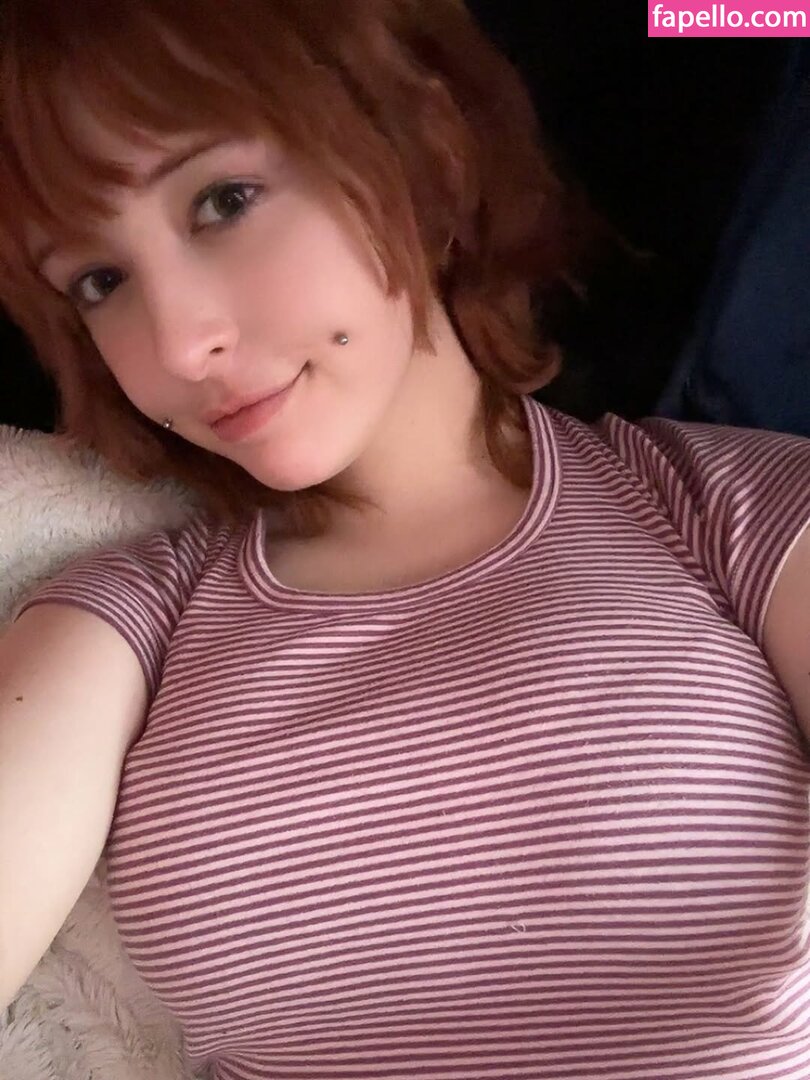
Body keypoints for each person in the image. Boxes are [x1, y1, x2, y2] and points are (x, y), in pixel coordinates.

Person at [1, 3, 809, 1079]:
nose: (181, 344)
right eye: (100, 281)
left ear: (422, 142)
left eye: (222, 200)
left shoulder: (741, 508)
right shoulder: (123, 621)